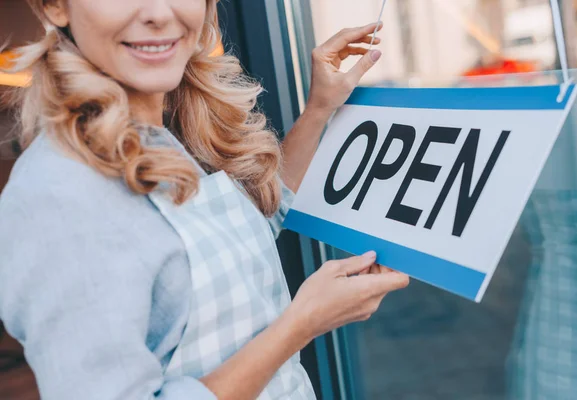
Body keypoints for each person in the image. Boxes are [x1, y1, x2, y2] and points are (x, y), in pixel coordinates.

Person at [0, 1, 410, 399]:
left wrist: (321, 107)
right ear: (55, 7)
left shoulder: (172, 130)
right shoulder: (55, 198)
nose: (160, 13)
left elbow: (254, 224)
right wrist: (300, 324)